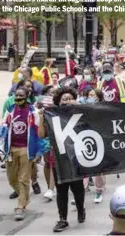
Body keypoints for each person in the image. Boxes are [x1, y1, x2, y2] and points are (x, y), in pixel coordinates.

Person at [0, 85, 47, 221]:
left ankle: (20, 206)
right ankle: (24, 197)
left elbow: (39, 134)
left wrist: (39, 152)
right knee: (12, 178)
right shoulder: (10, 111)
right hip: (10, 149)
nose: (18, 98)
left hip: (26, 149)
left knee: (23, 178)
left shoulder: (34, 113)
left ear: (27, 96)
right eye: (16, 96)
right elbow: (3, 128)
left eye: (21, 96)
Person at [46, 87, 86, 232]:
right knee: (61, 190)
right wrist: (40, 117)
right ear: (58, 102)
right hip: (59, 159)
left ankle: (81, 209)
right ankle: (63, 219)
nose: (67, 101)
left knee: (78, 188)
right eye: (64, 99)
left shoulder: (82, 114)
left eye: (70, 98)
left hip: (76, 159)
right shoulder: (51, 116)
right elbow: (41, 134)